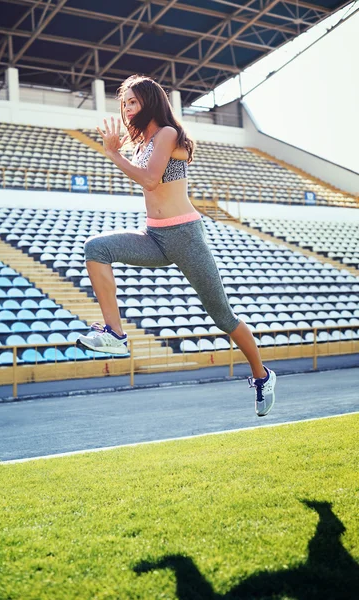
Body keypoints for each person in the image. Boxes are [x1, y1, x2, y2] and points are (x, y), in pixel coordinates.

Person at [77, 74, 276, 417]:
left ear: (150, 103)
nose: (126, 109)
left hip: (184, 236)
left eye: (133, 102)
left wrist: (113, 154)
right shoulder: (142, 144)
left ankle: (262, 375)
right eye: (123, 103)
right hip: (154, 236)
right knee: (96, 248)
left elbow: (152, 180)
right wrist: (120, 149)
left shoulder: (168, 134)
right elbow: (146, 175)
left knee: (223, 316)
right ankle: (115, 334)